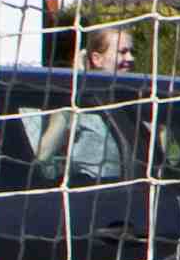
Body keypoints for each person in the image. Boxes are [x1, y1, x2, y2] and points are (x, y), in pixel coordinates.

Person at [31, 20, 140, 178]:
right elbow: (43, 154)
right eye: (122, 52)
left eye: (131, 51)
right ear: (97, 59)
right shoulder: (77, 103)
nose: (131, 58)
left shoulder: (137, 99)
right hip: (89, 191)